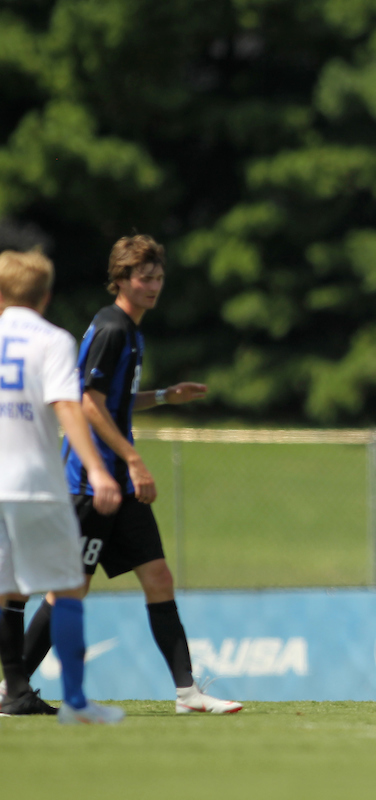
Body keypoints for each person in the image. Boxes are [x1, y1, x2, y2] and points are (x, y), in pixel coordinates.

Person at [12, 235, 242, 714]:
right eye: (144, 278)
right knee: (68, 589)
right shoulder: (112, 327)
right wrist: (132, 461)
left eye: (159, 278)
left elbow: (112, 401)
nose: (154, 286)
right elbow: (87, 404)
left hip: (120, 483)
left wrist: (162, 396)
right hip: (92, 484)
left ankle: (188, 694)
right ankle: (13, 691)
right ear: (120, 280)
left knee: (158, 576)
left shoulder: (131, 331)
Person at [0, 249, 126, 724]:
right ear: (46, 295)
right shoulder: (53, 339)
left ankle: (14, 693)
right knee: (68, 585)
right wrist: (96, 468)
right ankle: (75, 702)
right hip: (34, 482)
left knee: (7, 591)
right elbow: (68, 407)